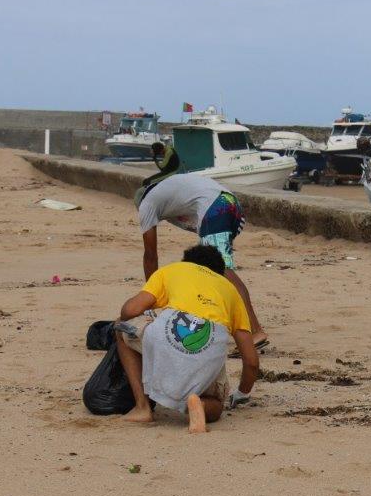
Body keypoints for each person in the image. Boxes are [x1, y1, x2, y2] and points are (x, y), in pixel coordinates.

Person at [115, 245, 259, 434]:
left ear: (187, 262)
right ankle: (199, 404)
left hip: (168, 333)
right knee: (217, 404)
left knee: (120, 328)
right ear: (219, 272)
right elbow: (251, 361)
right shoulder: (230, 290)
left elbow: (129, 311)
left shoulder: (172, 270)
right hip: (210, 346)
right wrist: (242, 393)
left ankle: (142, 407)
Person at [134, 172, 269, 350]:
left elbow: (150, 255)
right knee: (209, 270)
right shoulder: (171, 194)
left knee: (223, 271)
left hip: (215, 208)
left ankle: (255, 331)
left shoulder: (147, 203)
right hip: (230, 204)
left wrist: (150, 296)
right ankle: (221, 324)